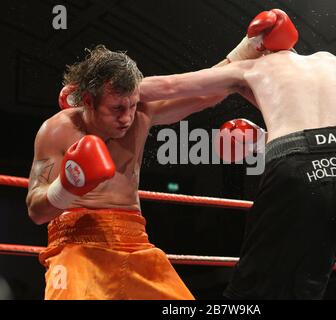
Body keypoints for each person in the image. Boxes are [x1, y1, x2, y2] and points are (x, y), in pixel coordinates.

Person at [138, 9, 336, 299]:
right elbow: (318, 129)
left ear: (258, 49)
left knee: (256, 297)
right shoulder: (331, 61)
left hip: (298, 168)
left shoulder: (252, 68)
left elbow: (171, 86)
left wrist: (107, 92)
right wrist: (263, 139)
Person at [26, 44, 233, 300]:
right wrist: (66, 187)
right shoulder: (58, 130)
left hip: (135, 242)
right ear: (89, 100)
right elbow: (36, 211)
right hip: (76, 245)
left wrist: (250, 47)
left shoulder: (142, 115)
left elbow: (205, 93)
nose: (127, 118)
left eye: (132, 106)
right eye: (117, 109)